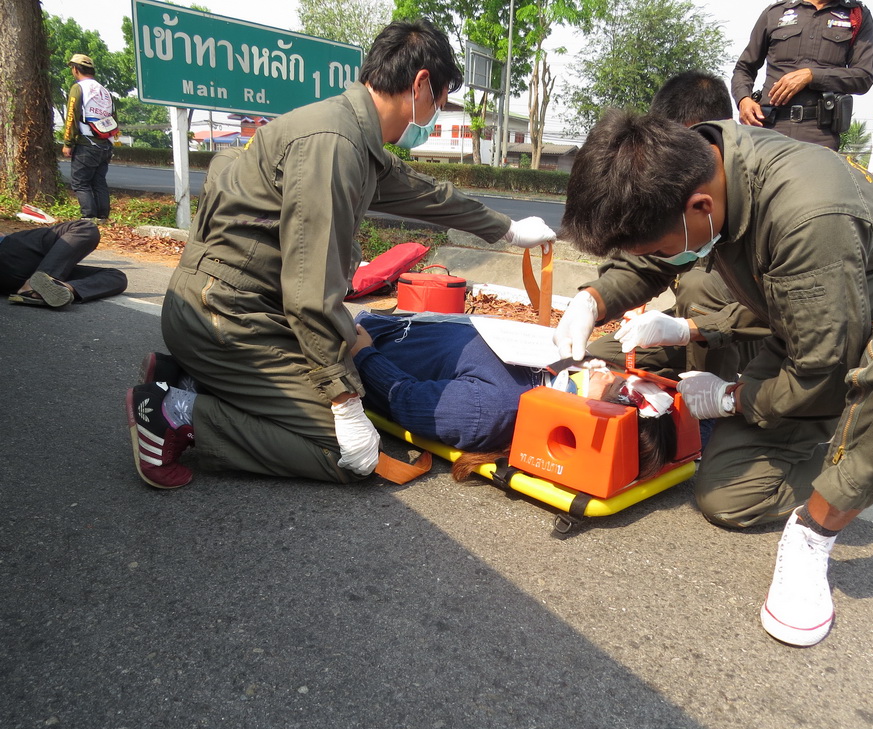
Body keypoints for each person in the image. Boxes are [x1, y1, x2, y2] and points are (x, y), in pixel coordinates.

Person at [556, 110, 873, 646]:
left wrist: (731, 398)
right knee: (730, 497)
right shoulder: (695, 165)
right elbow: (654, 260)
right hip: (806, 321)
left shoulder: (806, 212)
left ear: (701, 207)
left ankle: (821, 524)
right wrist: (592, 301)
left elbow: (819, 367)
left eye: (662, 247)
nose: (664, 257)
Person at [126, 19, 556, 490]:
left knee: (342, 390)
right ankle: (176, 413)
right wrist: (345, 402)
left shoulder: (350, 135)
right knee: (348, 453)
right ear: (419, 85)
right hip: (226, 319)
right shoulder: (335, 147)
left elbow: (427, 195)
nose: (436, 114)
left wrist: (507, 229)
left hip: (228, 310)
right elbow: (311, 294)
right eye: (439, 101)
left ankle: (188, 377)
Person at [585, 70, 767, 383]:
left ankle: (713, 396)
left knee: (700, 286)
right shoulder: (670, 185)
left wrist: (727, 400)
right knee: (602, 358)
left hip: (756, 329)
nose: (672, 161)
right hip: (691, 324)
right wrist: (591, 301)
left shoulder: (764, 188)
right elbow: (645, 263)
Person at [349, 311, 677, 481]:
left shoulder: (492, 409)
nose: (610, 374)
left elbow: (407, 400)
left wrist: (362, 354)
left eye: (618, 389)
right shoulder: (562, 370)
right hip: (402, 323)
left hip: (359, 340)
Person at [731, 0, 873, 150]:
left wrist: (812, 76)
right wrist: (743, 100)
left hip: (819, 134)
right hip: (768, 128)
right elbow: (744, 68)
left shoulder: (856, 15)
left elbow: (863, 77)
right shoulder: (776, 12)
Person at [2, 220, 127, 307]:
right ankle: (38, 283)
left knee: (116, 276)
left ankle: (56, 287)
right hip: (10, 250)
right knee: (85, 228)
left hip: (11, 281)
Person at [62, 54, 117, 222]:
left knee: (80, 182)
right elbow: (114, 118)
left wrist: (68, 143)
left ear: (76, 69)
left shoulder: (78, 88)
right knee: (99, 181)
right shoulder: (105, 91)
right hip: (106, 144)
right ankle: (103, 217)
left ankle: (88, 217)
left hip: (87, 143)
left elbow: (71, 116)